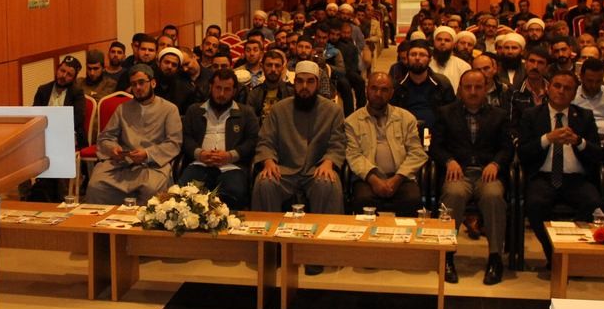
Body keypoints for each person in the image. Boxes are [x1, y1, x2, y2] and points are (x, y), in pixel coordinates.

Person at [431, 70, 513, 284]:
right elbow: (436, 147)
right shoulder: (445, 113)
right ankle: (446, 255)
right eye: (468, 87)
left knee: (494, 196)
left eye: (478, 87)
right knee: (454, 194)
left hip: (487, 173)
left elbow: (507, 149)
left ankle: (495, 258)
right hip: (458, 172)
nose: (473, 91)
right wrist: (449, 160)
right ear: (460, 89)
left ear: (486, 88)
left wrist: (496, 163)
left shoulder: (499, 115)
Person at [518, 71, 604, 270]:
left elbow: (597, 154)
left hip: (575, 178)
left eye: (567, 88)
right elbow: (523, 152)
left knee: (593, 203)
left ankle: (572, 252)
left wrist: (579, 142)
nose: (561, 91)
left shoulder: (584, 116)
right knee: (535, 204)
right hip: (543, 176)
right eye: (557, 86)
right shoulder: (532, 115)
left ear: (575, 94)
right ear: (548, 88)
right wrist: (548, 138)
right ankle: (554, 254)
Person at [251, 61, 346, 215]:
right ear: (294, 83)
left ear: (317, 83)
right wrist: (268, 162)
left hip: (316, 169)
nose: (304, 87)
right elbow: (265, 141)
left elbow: (338, 143)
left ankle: (322, 237)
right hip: (284, 170)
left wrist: (329, 162)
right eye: (300, 81)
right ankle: (267, 238)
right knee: (265, 182)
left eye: (310, 81)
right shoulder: (279, 109)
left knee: (327, 183)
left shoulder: (332, 111)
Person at [86, 64, 182, 205]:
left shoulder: (169, 109)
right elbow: (105, 137)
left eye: (141, 82)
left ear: (153, 83)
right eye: (134, 84)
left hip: (152, 165)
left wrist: (147, 154)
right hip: (121, 164)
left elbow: (174, 143)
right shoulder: (122, 108)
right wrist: (113, 149)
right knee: (96, 185)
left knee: (152, 189)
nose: (137, 88)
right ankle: (103, 226)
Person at [344, 72, 426, 217]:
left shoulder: (406, 118)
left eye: (384, 90)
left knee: (412, 200)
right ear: (366, 90)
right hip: (368, 179)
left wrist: (397, 179)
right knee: (363, 200)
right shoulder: (352, 121)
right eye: (374, 88)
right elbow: (353, 155)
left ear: (391, 93)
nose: (378, 93)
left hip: (401, 177)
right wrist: (374, 180)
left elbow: (417, 153)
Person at [178, 69, 259, 209]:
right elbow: (186, 137)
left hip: (232, 166)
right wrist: (200, 153)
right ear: (211, 87)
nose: (221, 94)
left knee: (234, 193)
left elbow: (252, 141)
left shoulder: (246, 112)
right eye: (218, 88)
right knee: (183, 192)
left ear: (234, 91)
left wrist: (230, 155)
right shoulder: (195, 110)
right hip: (200, 163)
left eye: (227, 89)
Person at [26, 56, 88, 204]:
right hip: (42, 134)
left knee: (56, 149)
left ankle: (56, 193)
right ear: (57, 69)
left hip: (67, 136)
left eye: (69, 74)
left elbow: (77, 120)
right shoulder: (43, 90)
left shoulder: (77, 93)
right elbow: (35, 115)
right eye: (62, 71)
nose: (63, 76)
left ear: (74, 78)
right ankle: (28, 194)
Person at [571, 57, 604, 137]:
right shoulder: (572, 94)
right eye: (590, 81)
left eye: (598, 81)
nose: (594, 85)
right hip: (579, 137)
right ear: (581, 77)